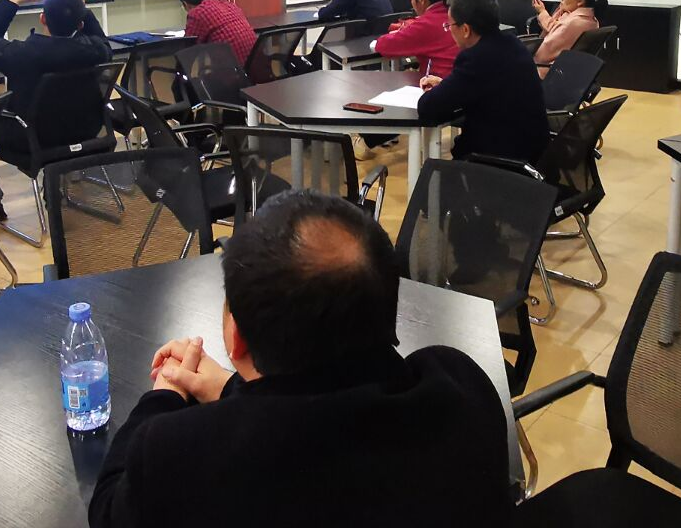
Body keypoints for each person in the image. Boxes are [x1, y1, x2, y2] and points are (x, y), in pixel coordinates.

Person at [90, 190, 512, 528]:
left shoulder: (181, 453)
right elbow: (326, 406)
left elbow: (109, 509)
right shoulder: (461, 388)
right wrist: (232, 389)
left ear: (236, 340)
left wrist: (164, 395)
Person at [0, 0, 111, 157]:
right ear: (80, 25)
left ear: (43, 18)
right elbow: (103, 42)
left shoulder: (23, 54)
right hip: (87, 132)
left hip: (33, 140)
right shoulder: (96, 51)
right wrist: (81, 8)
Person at [417, 0, 548, 164]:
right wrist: (446, 85)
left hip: (498, 162)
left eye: (449, 26)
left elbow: (428, 107)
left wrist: (438, 91)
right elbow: (486, 87)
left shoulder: (475, 58)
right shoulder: (513, 43)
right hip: (533, 155)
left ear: (465, 30)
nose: (449, 31)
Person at [375, 0, 461, 76]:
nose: (412, 3)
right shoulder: (455, 15)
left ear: (422, 0)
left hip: (438, 81)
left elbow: (383, 46)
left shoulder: (425, 24)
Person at [528, 0, 605, 69]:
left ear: (580, 1)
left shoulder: (573, 22)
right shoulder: (588, 19)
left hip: (547, 71)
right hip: (569, 71)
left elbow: (542, 54)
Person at [177, 0, 255, 70]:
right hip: (255, 68)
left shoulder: (197, 14)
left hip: (233, 72)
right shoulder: (230, 5)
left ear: (185, 4)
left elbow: (188, 50)